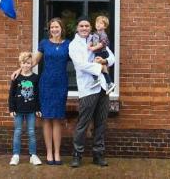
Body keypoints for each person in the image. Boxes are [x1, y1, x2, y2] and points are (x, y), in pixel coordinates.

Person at [15, 17, 71, 165]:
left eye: (56, 27)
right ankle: (49, 153)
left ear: (61, 28)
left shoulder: (68, 45)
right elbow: (32, 62)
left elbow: (79, 60)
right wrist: (19, 70)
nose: (54, 29)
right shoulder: (44, 44)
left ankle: (57, 153)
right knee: (46, 118)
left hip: (61, 84)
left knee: (57, 119)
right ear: (49, 30)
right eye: (52, 27)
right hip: (46, 84)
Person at [69, 17, 116, 167]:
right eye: (81, 26)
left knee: (101, 123)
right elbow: (80, 64)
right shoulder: (73, 45)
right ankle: (77, 155)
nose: (84, 28)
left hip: (103, 87)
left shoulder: (96, 39)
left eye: (87, 26)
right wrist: (99, 68)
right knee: (83, 123)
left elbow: (112, 57)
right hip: (88, 88)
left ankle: (98, 154)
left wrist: (105, 62)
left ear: (90, 28)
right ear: (77, 28)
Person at [8, 51, 42, 166]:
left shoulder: (35, 78)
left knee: (31, 132)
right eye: (23, 63)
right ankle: (16, 155)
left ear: (31, 64)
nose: (25, 65)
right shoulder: (16, 78)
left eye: (28, 63)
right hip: (18, 110)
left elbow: (37, 95)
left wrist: (38, 108)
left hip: (31, 110)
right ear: (20, 63)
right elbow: (11, 94)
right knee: (17, 132)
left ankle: (33, 155)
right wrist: (11, 109)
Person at [86, 15, 114, 94]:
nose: (98, 24)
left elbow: (102, 44)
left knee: (94, 65)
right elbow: (91, 40)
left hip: (102, 52)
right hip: (97, 52)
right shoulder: (95, 33)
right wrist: (89, 45)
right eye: (97, 22)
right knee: (103, 68)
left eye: (101, 23)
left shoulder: (103, 34)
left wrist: (93, 48)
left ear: (105, 26)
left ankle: (96, 80)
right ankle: (109, 83)